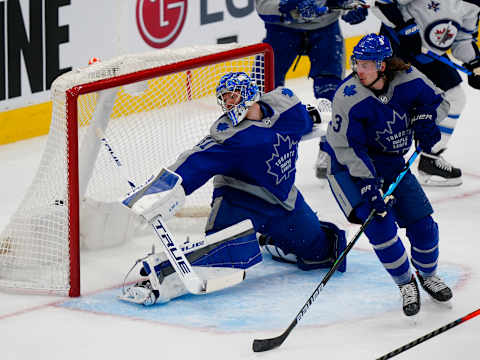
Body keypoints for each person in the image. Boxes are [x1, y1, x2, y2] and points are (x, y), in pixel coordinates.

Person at [120, 71, 347, 306]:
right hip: (239, 201)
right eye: (224, 99)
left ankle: (270, 239)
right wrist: (160, 191)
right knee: (223, 258)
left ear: (249, 94)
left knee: (321, 252)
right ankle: (160, 276)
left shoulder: (287, 109)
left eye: (233, 97)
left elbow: (309, 120)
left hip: (284, 202)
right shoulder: (229, 136)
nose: (228, 104)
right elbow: (195, 161)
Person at [321, 34, 453, 317]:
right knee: (381, 228)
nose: (359, 69)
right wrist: (368, 185)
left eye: (366, 64)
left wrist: (425, 119)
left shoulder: (410, 78)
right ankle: (405, 283)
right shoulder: (349, 96)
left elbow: (440, 102)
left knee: (424, 227)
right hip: (347, 167)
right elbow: (346, 146)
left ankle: (427, 275)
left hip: (391, 163)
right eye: (356, 63)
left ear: (383, 65)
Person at [255, 0, 370, 178]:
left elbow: (351, 3)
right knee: (266, 92)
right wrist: (289, 5)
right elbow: (263, 7)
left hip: (325, 29)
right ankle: (263, 148)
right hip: (281, 30)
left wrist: (352, 6)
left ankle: (330, 148)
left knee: (331, 93)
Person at [372, 0, 480, 186]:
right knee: (391, 106)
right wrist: (405, 28)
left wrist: (474, 63)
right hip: (397, 47)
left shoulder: (473, 4)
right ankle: (371, 161)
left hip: (429, 54)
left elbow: (462, 39)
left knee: (454, 98)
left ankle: (431, 157)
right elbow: (383, 3)